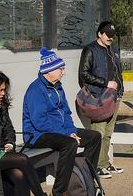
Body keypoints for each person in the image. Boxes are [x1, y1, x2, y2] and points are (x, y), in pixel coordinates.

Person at [23, 47, 101, 196]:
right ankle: (59, 191)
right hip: (38, 135)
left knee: (94, 137)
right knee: (69, 144)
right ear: (49, 70)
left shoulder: (58, 87)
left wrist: (71, 131)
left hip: (60, 130)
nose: (63, 72)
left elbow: (66, 113)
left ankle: (85, 178)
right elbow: (40, 122)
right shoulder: (35, 90)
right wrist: (67, 134)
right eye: (61, 69)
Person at [77, 21, 124, 178]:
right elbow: (84, 74)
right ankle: (96, 166)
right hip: (98, 98)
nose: (110, 38)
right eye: (107, 35)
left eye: (112, 36)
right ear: (99, 34)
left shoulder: (113, 50)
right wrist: (104, 84)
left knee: (108, 133)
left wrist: (120, 90)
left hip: (114, 97)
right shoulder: (90, 50)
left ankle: (104, 164)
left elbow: (118, 72)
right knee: (99, 133)